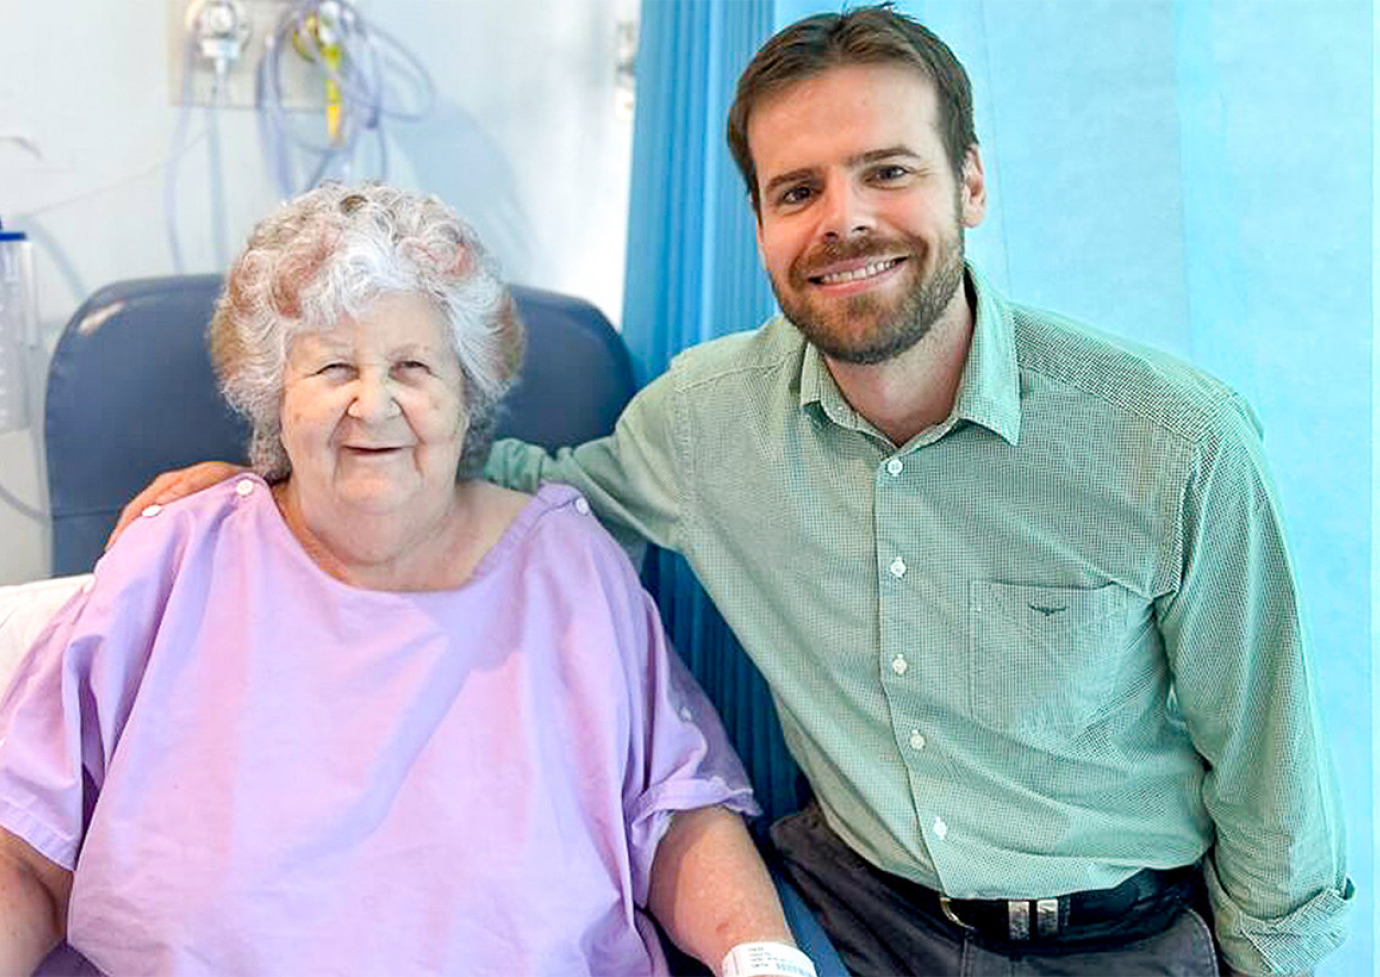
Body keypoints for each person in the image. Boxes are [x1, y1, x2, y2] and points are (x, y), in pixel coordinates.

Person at [100, 6, 1354, 976]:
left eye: (888, 171)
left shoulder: (1170, 440)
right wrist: (293, 455)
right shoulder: (705, 418)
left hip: (1112, 935)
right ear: (756, 220)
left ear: (969, 183)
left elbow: (1271, 788)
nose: (843, 221)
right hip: (845, 910)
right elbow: (538, 493)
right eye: (796, 190)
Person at [0, 185, 816, 977]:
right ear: (274, 395)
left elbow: (677, 818)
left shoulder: (569, 570)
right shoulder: (173, 559)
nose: (373, 404)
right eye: (333, 366)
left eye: (413, 368)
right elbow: (16, 855)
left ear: (469, 398)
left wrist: (761, 956)